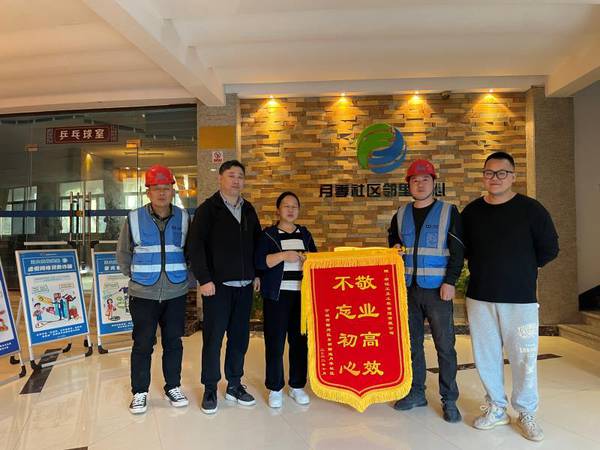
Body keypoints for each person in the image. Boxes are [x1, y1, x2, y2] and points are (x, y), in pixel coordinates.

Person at [462, 151, 559, 442]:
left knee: (523, 357)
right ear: (484, 176)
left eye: (501, 173)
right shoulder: (472, 212)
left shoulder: (532, 209)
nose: (495, 178)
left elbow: (550, 248)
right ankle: (496, 407)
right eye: (489, 173)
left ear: (513, 176)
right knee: (486, 355)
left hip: (520, 298)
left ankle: (526, 412)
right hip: (480, 296)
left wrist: (523, 267)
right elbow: (463, 249)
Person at [388, 159, 464, 423]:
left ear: (434, 183)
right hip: (408, 289)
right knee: (412, 344)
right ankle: (416, 392)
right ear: (408, 184)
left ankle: (449, 400)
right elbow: (393, 243)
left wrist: (450, 282)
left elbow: (458, 251)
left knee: (445, 346)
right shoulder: (400, 214)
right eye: (415, 180)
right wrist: (394, 247)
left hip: (438, 290)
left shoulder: (448, 212)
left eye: (425, 179)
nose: (420, 184)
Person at [188, 160, 262, 415]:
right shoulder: (208, 209)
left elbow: (257, 244)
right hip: (217, 288)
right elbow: (195, 247)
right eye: (231, 175)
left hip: (244, 286)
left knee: (239, 339)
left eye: (240, 176)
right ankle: (210, 387)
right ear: (220, 178)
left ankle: (234, 384)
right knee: (213, 339)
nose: (236, 180)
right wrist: (204, 279)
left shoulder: (248, 209)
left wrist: (256, 273)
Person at [117, 164, 190, 415]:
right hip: (143, 293)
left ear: (173, 191)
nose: (162, 193)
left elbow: (190, 252)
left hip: (176, 291)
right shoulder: (134, 218)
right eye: (156, 188)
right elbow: (123, 252)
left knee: (173, 342)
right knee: (142, 343)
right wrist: (136, 276)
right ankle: (139, 391)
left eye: (166, 188)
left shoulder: (184, 217)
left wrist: (186, 278)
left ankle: (173, 387)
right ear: (147, 192)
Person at [255, 191, 317, 408]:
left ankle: (297, 386)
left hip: (302, 296)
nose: (290, 210)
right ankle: (275, 388)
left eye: (294, 206)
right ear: (278, 210)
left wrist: (309, 259)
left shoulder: (305, 235)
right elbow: (260, 262)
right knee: (275, 342)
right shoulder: (268, 235)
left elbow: (316, 260)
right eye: (286, 206)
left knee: (299, 343)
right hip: (277, 296)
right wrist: (283, 255)